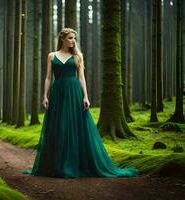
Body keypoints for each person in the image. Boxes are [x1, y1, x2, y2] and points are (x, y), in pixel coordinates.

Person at [22, 28, 139, 178]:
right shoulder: (52, 56)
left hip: (74, 93)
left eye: (74, 38)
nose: (73, 41)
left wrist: (86, 97)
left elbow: (81, 78)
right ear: (62, 39)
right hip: (58, 94)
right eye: (70, 38)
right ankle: (55, 166)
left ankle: (73, 165)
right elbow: (48, 78)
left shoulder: (77, 57)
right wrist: (45, 96)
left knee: (74, 126)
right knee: (58, 127)